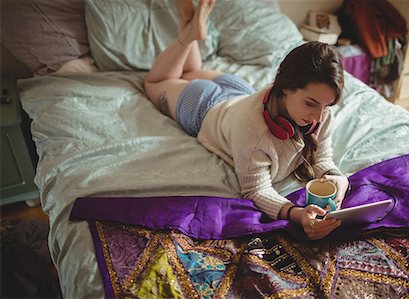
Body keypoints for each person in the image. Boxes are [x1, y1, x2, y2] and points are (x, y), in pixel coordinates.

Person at [144, 0, 349, 240]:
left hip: (239, 91)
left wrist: (338, 177)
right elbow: (255, 190)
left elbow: (322, 157)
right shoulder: (253, 130)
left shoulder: (321, 112)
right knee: (153, 82)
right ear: (285, 88)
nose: (319, 117)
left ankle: (190, 27)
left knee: (189, 71)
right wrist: (296, 213)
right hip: (204, 106)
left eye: (327, 106)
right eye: (311, 104)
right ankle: (187, 36)